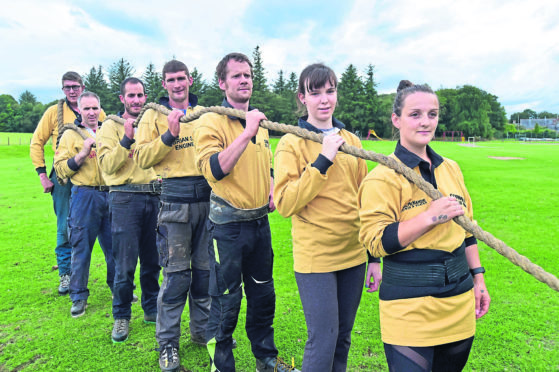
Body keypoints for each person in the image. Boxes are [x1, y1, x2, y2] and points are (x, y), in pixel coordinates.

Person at [358, 80, 490, 372]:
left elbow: (468, 232)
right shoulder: (382, 178)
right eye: (415, 114)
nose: (425, 121)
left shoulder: (451, 169)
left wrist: (478, 278)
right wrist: (430, 217)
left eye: (432, 114)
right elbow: (376, 242)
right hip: (408, 307)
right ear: (396, 119)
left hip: (458, 300)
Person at [193, 52, 298, 372]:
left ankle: (266, 361)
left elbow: (262, 162)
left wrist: (268, 184)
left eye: (248, 74)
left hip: (258, 225)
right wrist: (246, 131)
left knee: (264, 297)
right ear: (222, 83)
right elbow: (215, 170)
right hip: (227, 227)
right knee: (225, 302)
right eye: (237, 75)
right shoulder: (210, 120)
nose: (245, 80)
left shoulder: (258, 123)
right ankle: (220, 366)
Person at [273, 63, 381, 371]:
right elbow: (284, 203)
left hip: (353, 255)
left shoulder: (353, 142)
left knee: (343, 338)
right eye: (315, 92)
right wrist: (323, 160)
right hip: (315, 257)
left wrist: (374, 257)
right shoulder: (291, 143)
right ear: (302, 98)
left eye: (330, 91)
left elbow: (366, 202)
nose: (324, 99)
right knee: (323, 338)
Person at [134, 60, 212, 372]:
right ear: (164, 84)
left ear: (190, 80)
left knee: (205, 273)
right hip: (175, 203)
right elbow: (141, 158)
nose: (177, 84)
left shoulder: (205, 113)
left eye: (182, 78)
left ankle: (202, 331)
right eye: (171, 80)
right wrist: (169, 135)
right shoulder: (153, 115)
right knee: (177, 276)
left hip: (208, 200)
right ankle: (167, 344)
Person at [97, 77, 160, 343]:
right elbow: (107, 166)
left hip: (155, 196)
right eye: (131, 96)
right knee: (124, 264)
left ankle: (151, 308)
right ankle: (121, 315)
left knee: (153, 260)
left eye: (140, 95)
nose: (136, 100)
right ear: (122, 98)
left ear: (145, 97)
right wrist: (126, 140)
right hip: (124, 198)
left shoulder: (151, 123)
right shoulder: (110, 126)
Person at [30, 72, 105, 295]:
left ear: (83, 87)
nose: (72, 91)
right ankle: (65, 274)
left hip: (92, 175)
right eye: (67, 87)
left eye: (75, 86)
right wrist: (42, 174)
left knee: (105, 226)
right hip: (64, 176)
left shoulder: (96, 110)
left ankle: (115, 276)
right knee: (65, 226)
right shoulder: (54, 112)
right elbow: (36, 142)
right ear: (63, 90)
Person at [54, 91, 115, 318]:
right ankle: (78, 296)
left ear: (100, 109)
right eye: (87, 108)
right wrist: (81, 155)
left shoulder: (109, 131)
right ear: (78, 110)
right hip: (84, 196)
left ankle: (117, 288)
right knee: (81, 248)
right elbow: (60, 170)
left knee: (115, 248)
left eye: (95, 108)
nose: (91, 112)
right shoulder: (70, 135)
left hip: (111, 194)